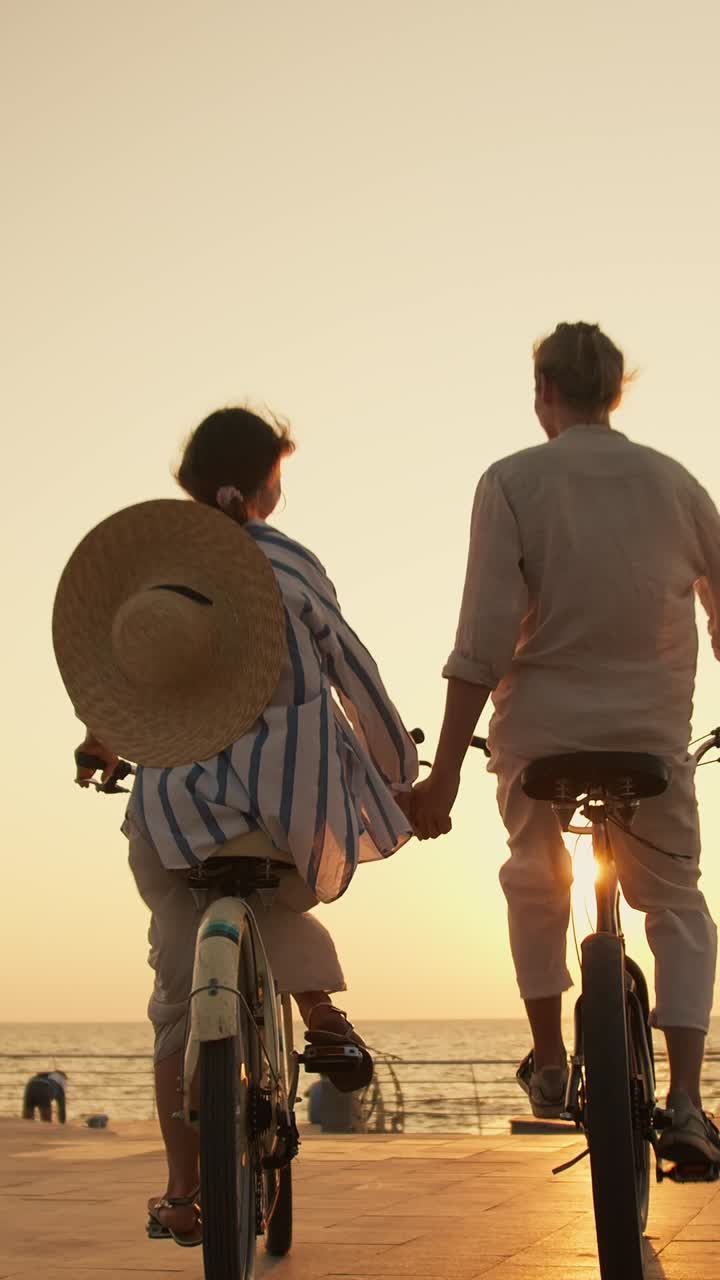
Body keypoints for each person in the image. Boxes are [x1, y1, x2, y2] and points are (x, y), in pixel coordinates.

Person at [53, 407, 418, 1246]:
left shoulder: (154, 577)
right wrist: (405, 777)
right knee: (283, 887)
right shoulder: (288, 565)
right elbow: (354, 674)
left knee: (177, 997)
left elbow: (126, 673)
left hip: (176, 818)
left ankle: (184, 1189)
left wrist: (100, 745)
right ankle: (322, 1009)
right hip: (289, 811)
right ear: (256, 485)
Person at [412, 321, 720, 1165]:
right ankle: (689, 1100)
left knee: (534, 875)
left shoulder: (512, 481)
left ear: (543, 391)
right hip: (650, 740)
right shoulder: (677, 485)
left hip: (537, 736)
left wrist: (441, 775)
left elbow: (481, 640)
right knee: (678, 904)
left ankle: (549, 1062)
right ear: (616, 391)